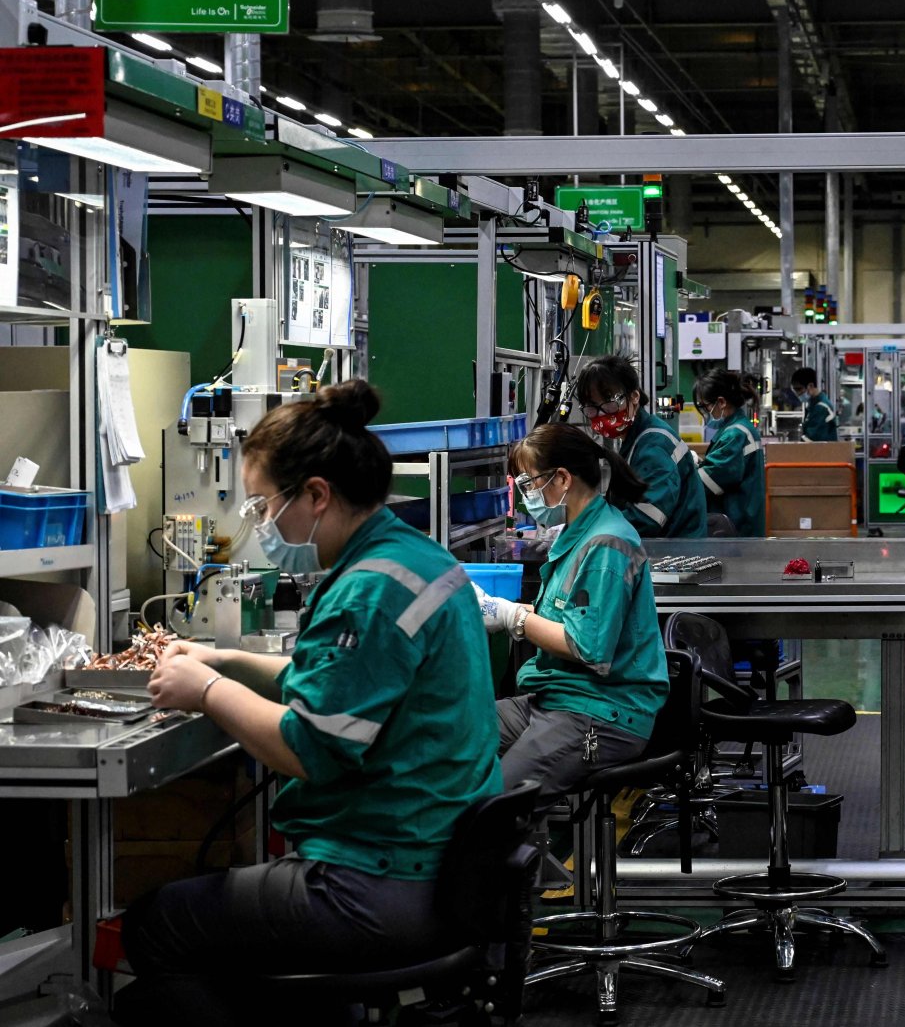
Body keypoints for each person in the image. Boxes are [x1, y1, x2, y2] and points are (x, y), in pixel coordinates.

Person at [119, 381, 501, 1027]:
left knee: (154, 928)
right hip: (437, 864)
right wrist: (225, 660)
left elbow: (307, 747)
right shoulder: (413, 559)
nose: (262, 528)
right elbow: (333, 680)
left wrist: (208, 692)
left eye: (263, 509)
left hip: (380, 883)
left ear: (317, 496)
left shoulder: (368, 590)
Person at [478, 424, 670, 794]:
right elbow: (567, 615)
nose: (526, 496)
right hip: (557, 697)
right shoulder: (578, 533)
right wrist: (497, 609)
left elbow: (587, 646)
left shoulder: (606, 544)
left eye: (529, 484)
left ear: (562, 479)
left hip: (602, 711)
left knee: (496, 802)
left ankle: (508, 844)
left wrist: (510, 616)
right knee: (452, 729)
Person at [576, 355, 706, 538]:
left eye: (609, 402)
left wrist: (590, 530)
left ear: (634, 396)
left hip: (677, 554)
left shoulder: (653, 445)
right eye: (591, 406)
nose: (601, 413)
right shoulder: (635, 439)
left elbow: (646, 519)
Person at [694, 368, 767, 536]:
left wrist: (686, 469)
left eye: (706, 407)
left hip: (736, 530)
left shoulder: (735, 435)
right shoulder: (738, 428)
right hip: (741, 526)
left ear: (721, 402)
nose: (706, 413)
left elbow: (708, 481)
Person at [790, 366, 838, 442]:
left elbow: (810, 439)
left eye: (799, 389)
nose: (797, 394)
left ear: (811, 386)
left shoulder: (821, 407)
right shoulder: (812, 406)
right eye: (794, 390)